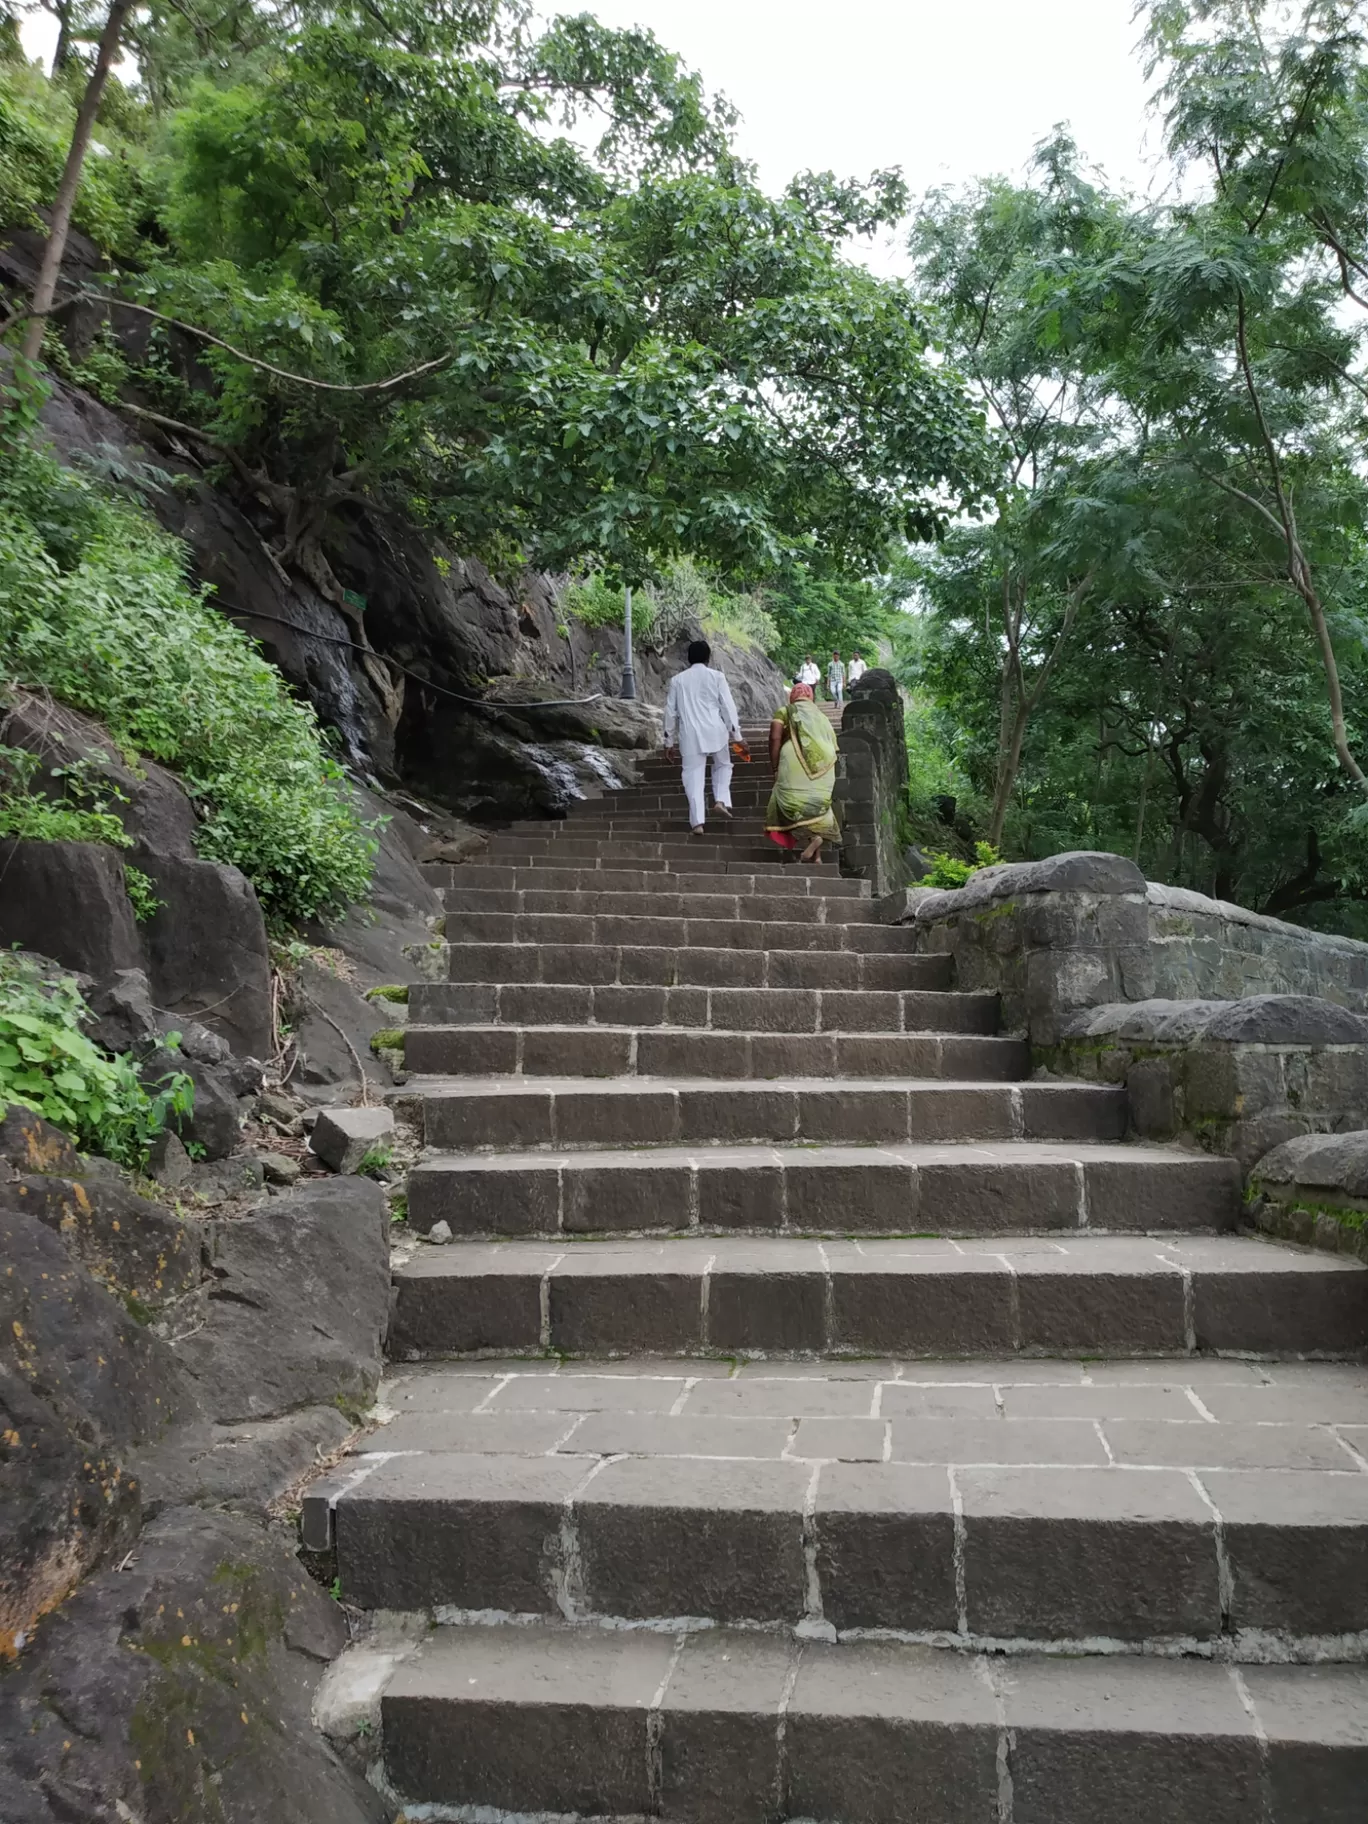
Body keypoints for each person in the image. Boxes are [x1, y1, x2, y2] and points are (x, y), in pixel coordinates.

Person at [663, 638, 743, 835]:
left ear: (688, 658)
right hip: (716, 731)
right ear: (708, 657)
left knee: (693, 777)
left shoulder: (677, 680)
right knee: (724, 765)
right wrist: (737, 736)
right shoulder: (717, 677)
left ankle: (697, 823)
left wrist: (668, 742)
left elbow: (670, 713)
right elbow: (727, 707)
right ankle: (720, 800)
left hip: (689, 736)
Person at [765, 682, 841, 864]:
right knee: (818, 803)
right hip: (825, 764)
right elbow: (834, 745)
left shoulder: (785, 711)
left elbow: (775, 737)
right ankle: (817, 856)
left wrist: (774, 767)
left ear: (793, 697)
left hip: (794, 761)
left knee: (790, 802)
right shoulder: (822, 717)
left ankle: (807, 843)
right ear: (810, 697)